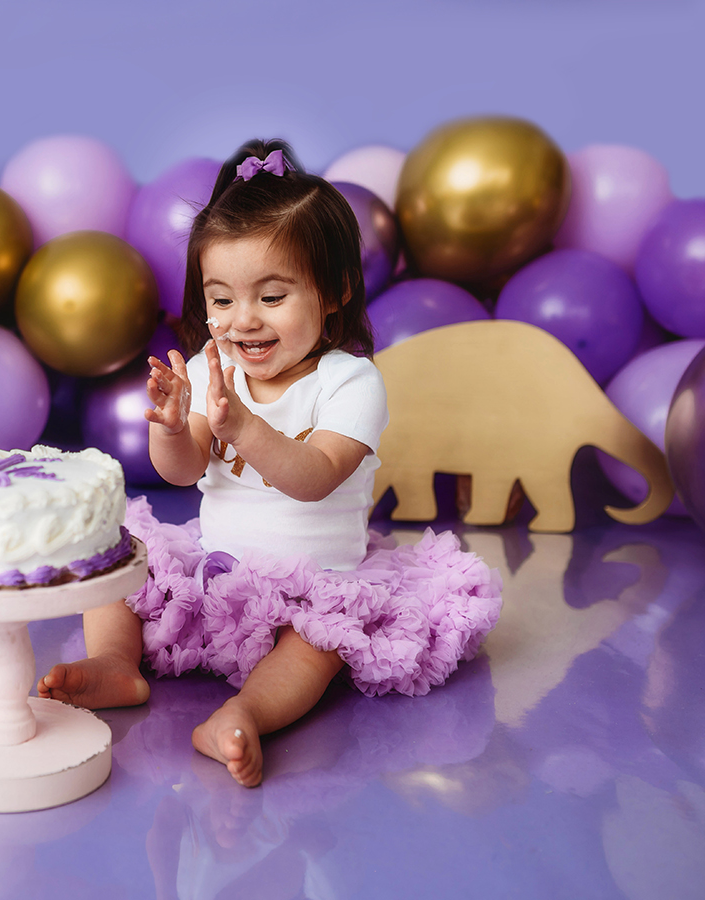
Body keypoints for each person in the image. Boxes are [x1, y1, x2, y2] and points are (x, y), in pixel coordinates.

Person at [39, 139, 502, 787]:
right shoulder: (209, 369)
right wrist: (174, 429)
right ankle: (116, 664)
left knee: (315, 647)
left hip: (314, 582)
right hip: (215, 572)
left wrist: (244, 427)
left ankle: (243, 714)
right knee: (119, 569)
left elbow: (313, 477)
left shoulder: (349, 384)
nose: (242, 321)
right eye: (220, 300)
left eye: (272, 296)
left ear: (334, 290)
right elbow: (180, 471)